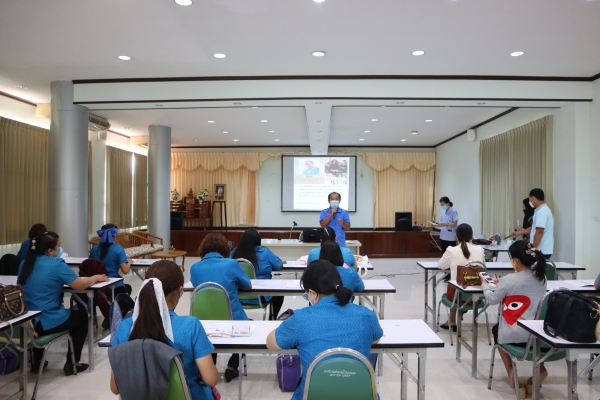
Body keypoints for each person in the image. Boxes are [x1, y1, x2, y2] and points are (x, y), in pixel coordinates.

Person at [266, 260, 383, 400]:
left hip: (314, 395)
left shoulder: (301, 318)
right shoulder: (367, 315)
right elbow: (375, 339)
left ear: (312, 293)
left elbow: (271, 343)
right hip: (359, 395)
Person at [111, 260, 218, 399]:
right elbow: (211, 379)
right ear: (178, 291)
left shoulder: (124, 328)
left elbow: (115, 388)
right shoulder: (190, 326)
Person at [18, 232, 107, 374]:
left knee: (40, 311)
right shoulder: (56, 264)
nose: (60, 249)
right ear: (49, 250)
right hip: (47, 319)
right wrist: (96, 277)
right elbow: (80, 285)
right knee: (83, 317)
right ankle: (73, 363)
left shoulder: (25, 263)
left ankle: (37, 362)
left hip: (26, 321)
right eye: (59, 246)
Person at [480, 241, 548, 391]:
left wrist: (485, 284)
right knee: (533, 327)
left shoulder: (509, 280)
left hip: (515, 334)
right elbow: (524, 286)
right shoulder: (542, 279)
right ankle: (541, 368)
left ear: (516, 260)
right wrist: (503, 283)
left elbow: (492, 300)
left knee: (496, 330)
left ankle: (511, 371)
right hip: (538, 336)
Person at [190, 233, 251, 382]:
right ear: (225, 248)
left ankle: (210, 366)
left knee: (213, 328)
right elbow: (248, 285)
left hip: (203, 321)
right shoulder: (231, 264)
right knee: (248, 326)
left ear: (203, 249)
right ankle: (232, 367)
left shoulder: (194, 268)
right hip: (232, 320)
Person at [437, 223, 485, 331]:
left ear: (456, 236)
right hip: (476, 296)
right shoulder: (480, 249)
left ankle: (452, 321)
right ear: (472, 236)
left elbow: (440, 265)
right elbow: (483, 267)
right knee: (460, 283)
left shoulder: (451, 250)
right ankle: (460, 313)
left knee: (454, 282)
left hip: (457, 296)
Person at [231, 229, 284, 319]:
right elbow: (279, 265)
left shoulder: (235, 252)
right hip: (261, 296)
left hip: (238, 296)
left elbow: (228, 267)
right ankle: (272, 319)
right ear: (258, 240)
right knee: (280, 294)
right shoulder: (265, 252)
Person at [89, 224, 133, 298]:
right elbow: (125, 270)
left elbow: (90, 265)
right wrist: (129, 263)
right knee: (128, 288)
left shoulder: (94, 249)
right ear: (114, 235)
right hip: (114, 286)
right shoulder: (118, 249)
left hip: (96, 285)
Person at [511, 189, 554, 259]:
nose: (530, 202)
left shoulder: (542, 212)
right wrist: (519, 232)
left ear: (533, 199)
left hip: (540, 250)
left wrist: (532, 249)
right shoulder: (540, 210)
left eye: (529, 199)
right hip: (540, 249)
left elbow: (539, 231)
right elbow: (534, 228)